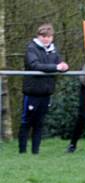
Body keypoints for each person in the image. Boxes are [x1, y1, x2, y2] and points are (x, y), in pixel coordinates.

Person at [19, 23, 69, 154]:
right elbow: (34, 65)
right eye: (44, 36)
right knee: (26, 122)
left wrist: (64, 66)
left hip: (46, 93)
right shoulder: (31, 48)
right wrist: (56, 67)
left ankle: (36, 152)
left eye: (49, 36)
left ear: (52, 37)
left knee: (39, 123)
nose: (46, 39)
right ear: (38, 36)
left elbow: (59, 63)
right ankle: (22, 152)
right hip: (32, 92)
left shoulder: (53, 50)